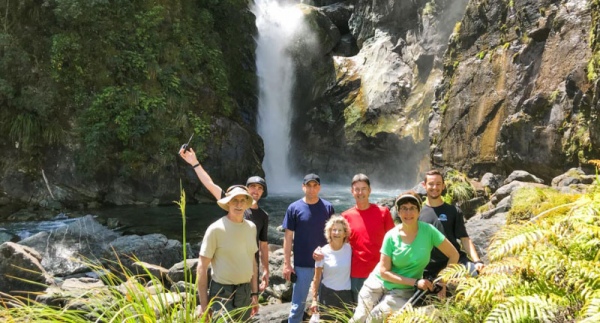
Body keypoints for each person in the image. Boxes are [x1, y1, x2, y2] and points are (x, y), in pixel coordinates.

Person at [349, 191, 459, 323]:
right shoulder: (391, 236)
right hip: (376, 283)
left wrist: (443, 281)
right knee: (358, 318)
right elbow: (384, 272)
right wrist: (415, 282)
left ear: (419, 211)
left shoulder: (429, 231)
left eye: (412, 208)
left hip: (401, 290)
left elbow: (454, 255)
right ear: (398, 212)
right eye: (404, 209)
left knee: (374, 319)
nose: (408, 213)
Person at [179, 148, 270, 290]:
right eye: (252, 187)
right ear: (246, 189)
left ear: (263, 192)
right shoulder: (233, 206)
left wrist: (266, 270)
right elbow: (210, 184)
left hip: (249, 268)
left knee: (251, 307)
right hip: (226, 272)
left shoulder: (263, 216)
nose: (256, 190)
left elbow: (263, 246)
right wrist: (194, 162)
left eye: (260, 188)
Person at [197, 185, 259, 320]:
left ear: (247, 204)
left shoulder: (251, 228)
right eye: (235, 200)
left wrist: (254, 293)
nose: (239, 204)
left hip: (245, 292)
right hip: (222, 293)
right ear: (228, 203)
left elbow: (252, 262)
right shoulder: (215, 229)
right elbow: (202, 267)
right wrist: (203, 305)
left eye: (243, 200)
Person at [283, 174, 335, 323]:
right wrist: (287, 264)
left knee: (323, 306)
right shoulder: (294, 208)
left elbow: (334, 235)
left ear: (319, 187)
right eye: (308, 186)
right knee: (297, 307)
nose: (311, 189)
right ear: (303, 187)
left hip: (324, 265)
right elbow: (288, 237)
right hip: (302, 265)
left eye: (315, 186)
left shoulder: (328, 207)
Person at [419, 169, 485, 278]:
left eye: (438, 184)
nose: (435, 187)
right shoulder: (417, 213)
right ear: (424, 185)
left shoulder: (453, 211)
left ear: (443, 186)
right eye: (431, 184)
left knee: (476, 275)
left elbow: (464, 239)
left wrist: (477, 261)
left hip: (456, 261)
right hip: (429, 266)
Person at [341, 174, 395, 302]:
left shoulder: (383, 213)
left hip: (382, 272)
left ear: (370, 190)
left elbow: (394, 241)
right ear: (352, 192)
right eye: (357, 189)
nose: (360, 192)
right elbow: (340, 245)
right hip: (357, 274)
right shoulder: (345, 217)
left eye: (364, 188)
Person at [309, 216, 352, 321]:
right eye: (334, 230)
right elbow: (317, 278)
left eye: (340, 230)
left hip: (346, 295)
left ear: (345, 233)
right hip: (328, 294)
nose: (336, 233)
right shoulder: (322, 252)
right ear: (329, 232)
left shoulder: (350, 248)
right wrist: (314, 299)